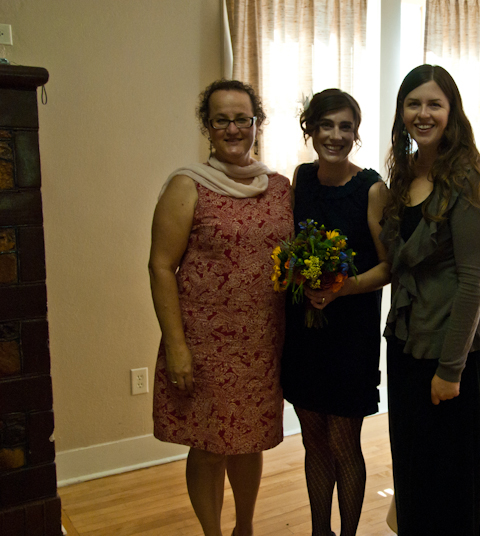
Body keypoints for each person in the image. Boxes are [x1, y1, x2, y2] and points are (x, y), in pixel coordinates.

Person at [149, 80, 293, 536]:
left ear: (257, 123)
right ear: (207, 126)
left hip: (262, 344)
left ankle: (244, 528)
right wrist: (176, 346)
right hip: (204, 344)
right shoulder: (187, 185)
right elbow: (160, 266)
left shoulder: (279, 188)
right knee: (209, 446)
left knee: (250, 443)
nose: (233, 129)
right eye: (221, 120)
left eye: (241, 119)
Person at [382, 64, 480, 536]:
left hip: (452, 350)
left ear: (452, 112)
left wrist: (450, 371)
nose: (423, 113)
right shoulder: (405, 172)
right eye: (413, 104)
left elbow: (473, 283)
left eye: (435, 104)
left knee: (450, 485)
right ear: (401, 112)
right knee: (412, 474)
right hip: (406, 342)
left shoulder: (468, 179)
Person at [281, 88, 391, 536]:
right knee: (313, 443)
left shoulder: (372, 189)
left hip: (350, 338)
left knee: (344, 444)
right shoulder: (302, 178)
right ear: (310, 129)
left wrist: (343, 288)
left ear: (356, 133)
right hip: (305, 336)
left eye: (346, 127)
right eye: (326, 125)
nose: (335, 135)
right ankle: (319, 532)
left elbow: (389, 266)